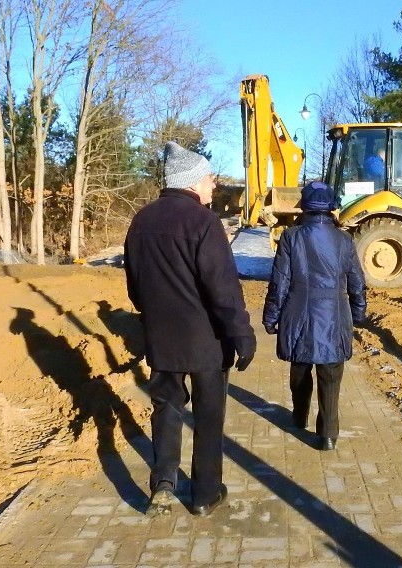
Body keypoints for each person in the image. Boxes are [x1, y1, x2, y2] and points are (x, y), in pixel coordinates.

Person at [124, 141, 256, 517]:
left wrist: (154, 314)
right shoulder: (203, 223)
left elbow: (135, 287)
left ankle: (163, 482)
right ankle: (204, 494)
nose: (213, 187)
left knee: (166, 408)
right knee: (209, 417)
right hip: (206, 343)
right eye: (209, 179)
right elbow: (223, 288)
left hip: (161, 340)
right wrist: (242, 336)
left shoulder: (141, 220)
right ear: (193, 182)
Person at [262, 181, 366, 451]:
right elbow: (356, 281)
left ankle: (299, 415)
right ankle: (328, 435)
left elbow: (280, 282)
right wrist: (358, 313)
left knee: (299, 370)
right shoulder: (344, 240)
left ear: (304, 207)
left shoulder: (290, 237)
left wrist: (271, 317)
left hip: (298, 317)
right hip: (334, 316)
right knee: (331, 376)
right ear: (330, 207)